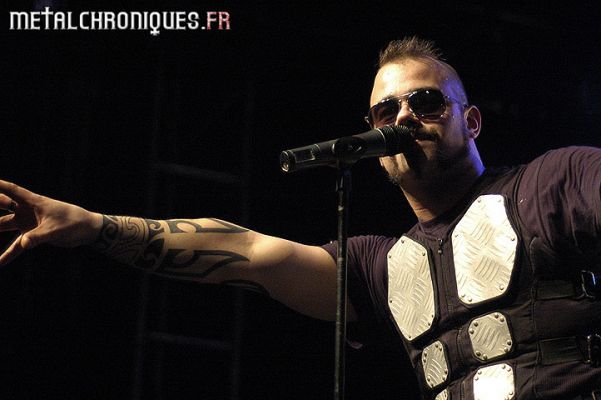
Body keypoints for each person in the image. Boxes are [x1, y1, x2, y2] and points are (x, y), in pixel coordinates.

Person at [0, 36, 600, 400]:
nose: (403, 117)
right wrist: (95, 225)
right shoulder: (378, 267)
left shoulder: (552, 182)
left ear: (470, 121)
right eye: (385, 110)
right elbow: (248, 253)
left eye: (426, 101)